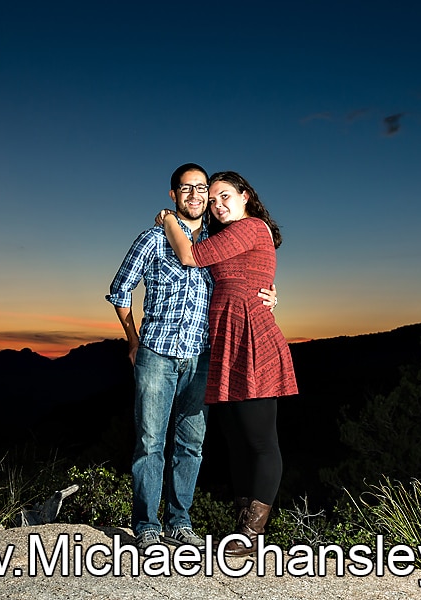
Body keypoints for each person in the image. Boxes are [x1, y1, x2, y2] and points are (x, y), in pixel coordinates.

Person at [106, 163, 277, 550]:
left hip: (202, 358)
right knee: (150, 442)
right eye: (187, 189)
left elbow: (245, 272)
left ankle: (179, 522)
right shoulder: (152, 239)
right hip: (157, 354)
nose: (198, 196)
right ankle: (147, 525)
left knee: (191, 446)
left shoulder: (219, 241)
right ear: (173, 195)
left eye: (204, 190)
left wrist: (270, 292)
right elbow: (120, 291)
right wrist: (133, 341)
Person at [159, 170, 298, 557]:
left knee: (260, 440)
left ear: (245, 196)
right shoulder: (229, 235)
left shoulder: (252, 227)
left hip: (252, 339)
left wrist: (169, 218)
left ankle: (253, 535)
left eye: (225, 197)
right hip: (226, 342)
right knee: (236, 442)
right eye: (213, 199)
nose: (218, 206)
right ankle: (241, 529)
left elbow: (190, 257)